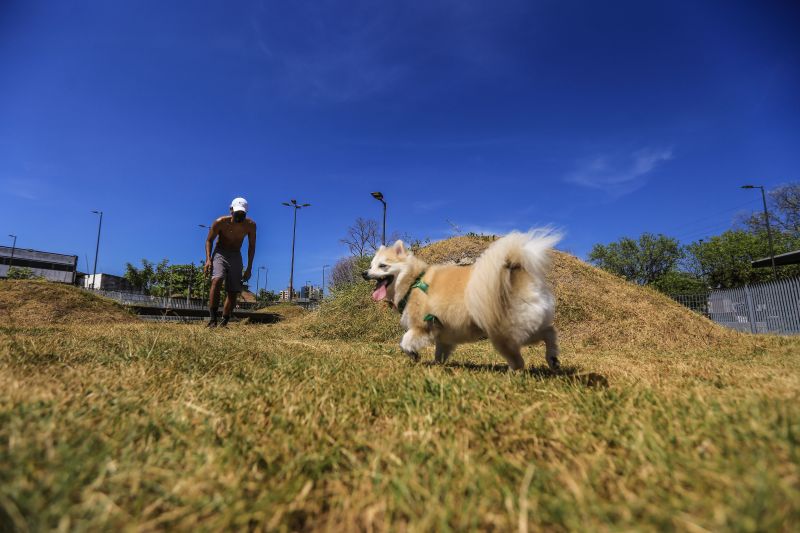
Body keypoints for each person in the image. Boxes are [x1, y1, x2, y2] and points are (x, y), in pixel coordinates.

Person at [203, 197, 257, 327]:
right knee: (217, 279)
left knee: (233, 290)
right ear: (231, 210)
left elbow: (251, 247)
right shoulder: (220, 222)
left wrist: (249, 268)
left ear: (246, 213)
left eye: (242, 214)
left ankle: (224, 321)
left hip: (235, 255)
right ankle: (212, 319)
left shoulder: (250, 225)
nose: (239, 216)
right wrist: (208, 259)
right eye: (237, 213)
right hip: (220, 253)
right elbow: (209, 240)